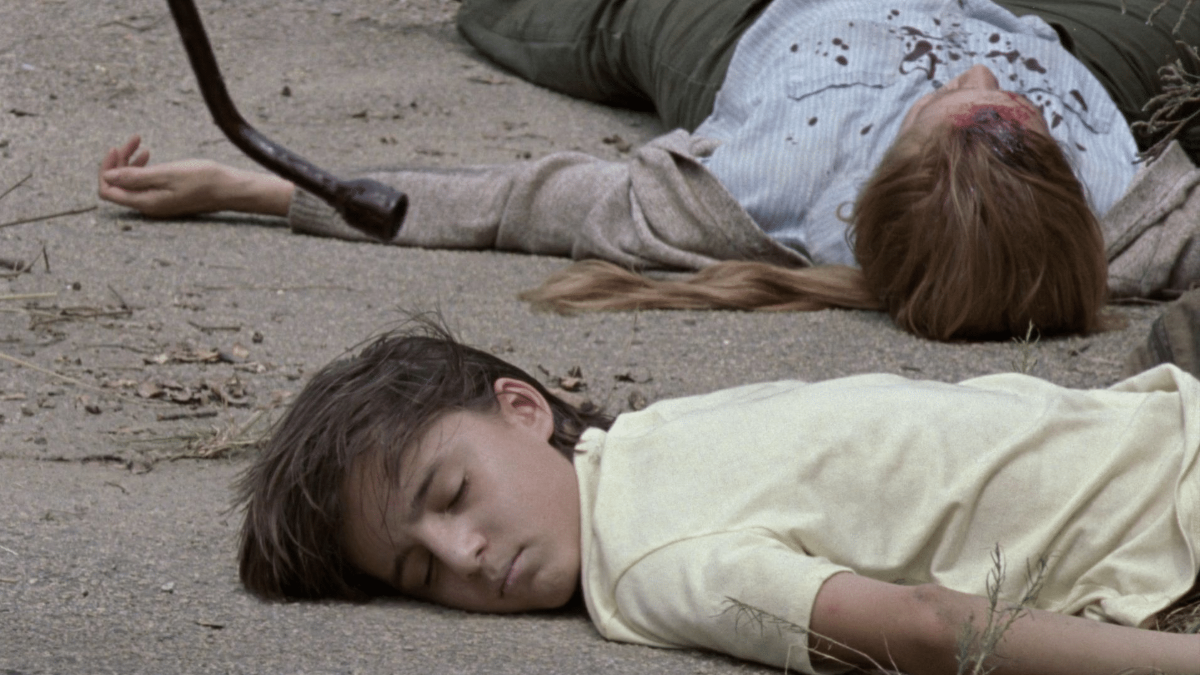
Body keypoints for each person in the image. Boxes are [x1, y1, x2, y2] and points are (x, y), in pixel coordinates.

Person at [99, 0, 1200, 339]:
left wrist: (256, 185)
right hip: (1066, 32)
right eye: (1021, 122)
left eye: (957, 105)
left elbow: (513, 205)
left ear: (878, 184)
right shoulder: (1135, 227)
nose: (974, 75)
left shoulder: (741, 199)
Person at [234, 316, 1200, 674]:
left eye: (451, 494)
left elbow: (931, 629)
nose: (464, 556)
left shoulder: (648, 552)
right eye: (420, 573)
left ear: (524, 408)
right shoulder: (663, 446)